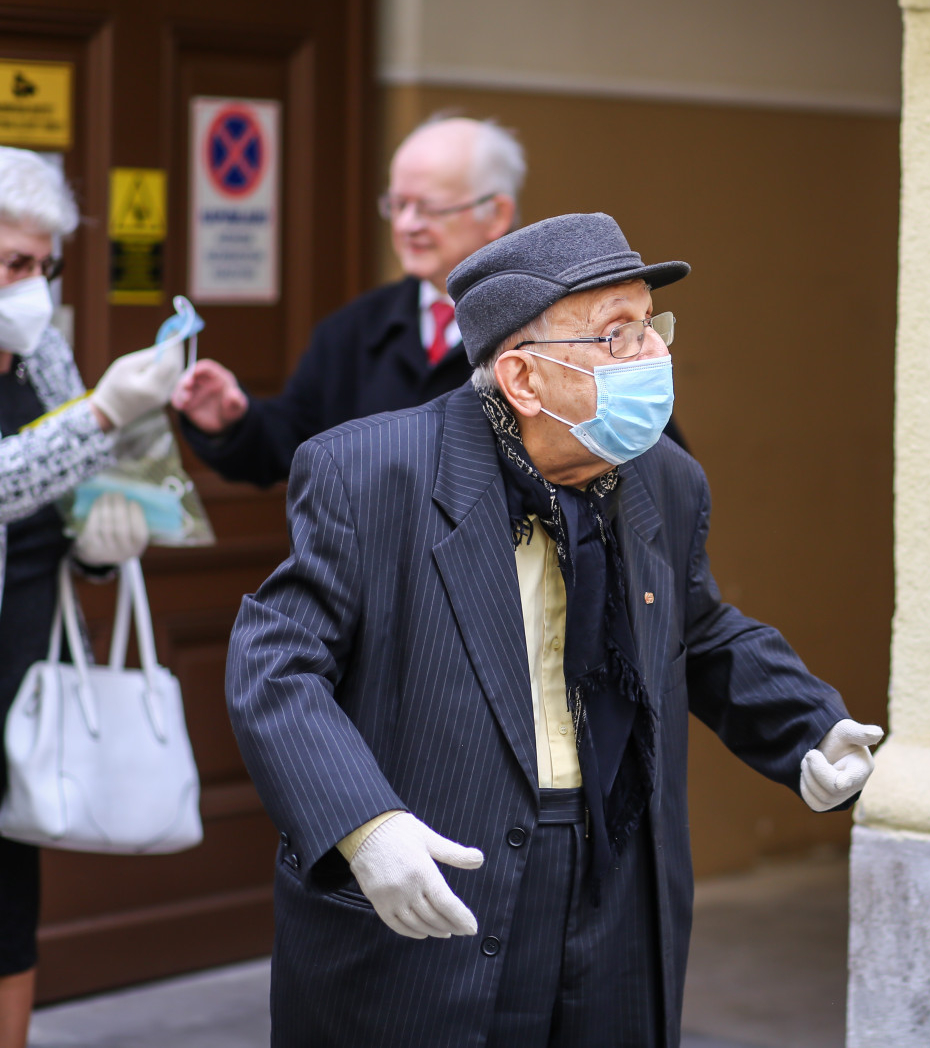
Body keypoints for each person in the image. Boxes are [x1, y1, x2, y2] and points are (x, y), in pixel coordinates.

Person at [226, 212, 882, 1047]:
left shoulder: (665, 479)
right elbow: (274, 666)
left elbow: (701, 631)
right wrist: (365, 826)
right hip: (441, 867)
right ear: (523, 379)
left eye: (652, 325)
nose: (654, 354)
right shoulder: (369, 472)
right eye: (617, 335)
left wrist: (808, 726)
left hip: (615, 872)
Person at [0, 147, 184, 1048]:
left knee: (7, 902)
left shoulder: (38, 347)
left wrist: (106, 542)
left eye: (41, 265)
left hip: (25, 679)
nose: (29, 285)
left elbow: (70, 490)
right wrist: (101, 416)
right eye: (10, 262)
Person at [170, 115, 523, 486]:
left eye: (429, 208)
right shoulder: (353, 329)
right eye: (398, 204)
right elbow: (289, 441)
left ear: (496, 215)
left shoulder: (543, 329)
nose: (406, 225)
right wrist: (232, 422)